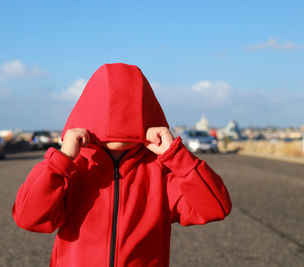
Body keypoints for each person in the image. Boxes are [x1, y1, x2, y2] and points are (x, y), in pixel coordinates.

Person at [12, 63, 232, 267]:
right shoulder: (75, 168)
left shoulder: (161, 170)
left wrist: (176, 157)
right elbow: (29, 218)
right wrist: (61, 161)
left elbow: (215, 208)